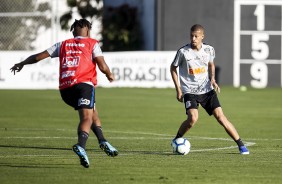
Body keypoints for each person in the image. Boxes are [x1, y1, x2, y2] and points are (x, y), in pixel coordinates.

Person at [10, 18, 119, 168]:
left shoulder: (63, 45)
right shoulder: (92, 43)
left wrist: (22, 63)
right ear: (88, 30)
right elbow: (102, 64)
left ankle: (103, 141)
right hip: (83, 85)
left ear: (73, 30)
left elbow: (37, 57)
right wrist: (109, 75)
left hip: (66, 90)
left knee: (93, 113)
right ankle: (81, 145)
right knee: (87, 117)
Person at [170, 24, 249, 155]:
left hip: (206, 90)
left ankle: (241, 145)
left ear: (202, 36)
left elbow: (211, 64)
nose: (193, 38)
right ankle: (177, 139)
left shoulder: (209, 50)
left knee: (221, 117)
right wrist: (178, 89)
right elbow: (173, 68)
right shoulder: (183, 52)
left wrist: (212, 78)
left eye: (196, 36)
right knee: (193, 119)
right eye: (191, 36)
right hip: (189, 91)